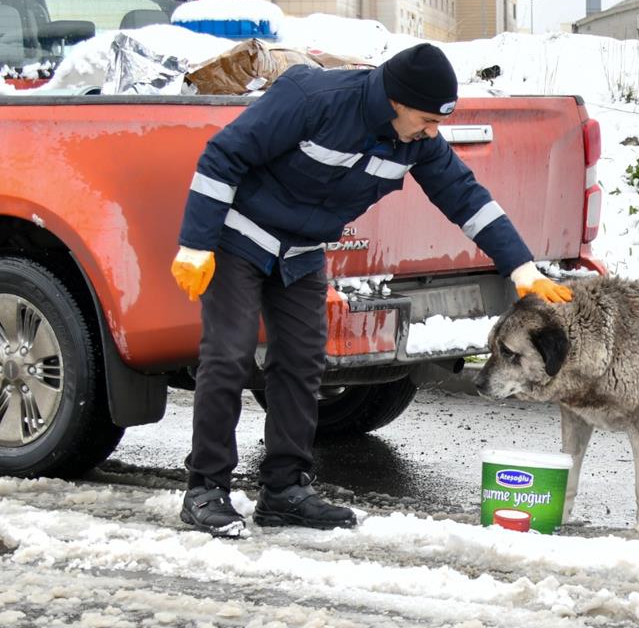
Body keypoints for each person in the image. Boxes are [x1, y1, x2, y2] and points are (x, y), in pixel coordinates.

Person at [171, 43, 573, 537]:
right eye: (427, 119)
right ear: (395, 101)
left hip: (300, 252)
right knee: (229, 355)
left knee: (302, 361)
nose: (433, 132)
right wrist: (196, 244)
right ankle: (206, 489)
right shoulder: (311, 98)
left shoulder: (416, 141)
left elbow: (465, 196)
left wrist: (521, 267)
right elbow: (223, 155)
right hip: (239, 238)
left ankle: (284, 491)